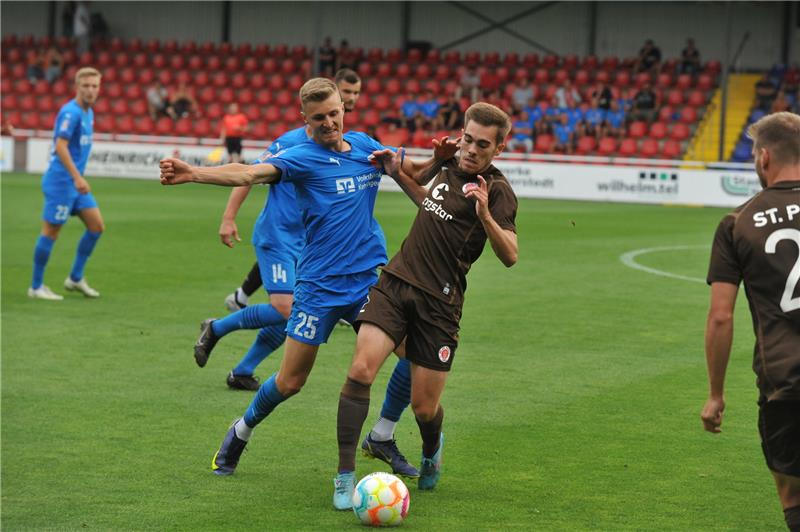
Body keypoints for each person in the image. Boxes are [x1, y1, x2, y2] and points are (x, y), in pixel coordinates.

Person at [159, 78, 459, 486]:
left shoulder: (367, 147)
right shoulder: (300, 157)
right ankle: (240, 431)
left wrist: (438, 159)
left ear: (343, 109)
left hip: (368, 284)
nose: (329, 122)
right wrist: (194, 172)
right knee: (290, 381)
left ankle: (383, 434)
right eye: (319, 118)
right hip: (318, 288)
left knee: (414, 354)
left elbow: (414, 173)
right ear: (306, 119)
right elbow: (247, 172)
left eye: (334, 113)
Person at [334, 102, 518, 507]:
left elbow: (511, 255)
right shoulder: (449, 163)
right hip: (395, 284)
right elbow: (428, 201)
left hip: (440, 305)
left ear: (499, 149)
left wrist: (485, 214)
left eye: (482, 145)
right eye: (468, 139)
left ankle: (432, 449)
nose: (470, 149)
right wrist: (395, 171)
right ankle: (345, 476)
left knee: (424, 407)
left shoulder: (499, 191)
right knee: (361, 370)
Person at [701, 111, 800, 532]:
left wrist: (716, 395)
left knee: (794, 496)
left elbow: (721, 316)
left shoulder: (737, 222)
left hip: (785, 380)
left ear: (762, 158)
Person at [223, 69, 363, 313]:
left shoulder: (348, 143)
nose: (352, 98)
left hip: (309, 236)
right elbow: (249, 174)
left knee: (297, 312)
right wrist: (228, 217)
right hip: (280, 231)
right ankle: (217, 328)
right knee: (286, 308)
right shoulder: (291, 143)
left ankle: (241, 298)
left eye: (356, 93)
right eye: (347, 92)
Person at [28, 67, 104, 301]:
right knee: (51, 232)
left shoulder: (88, 112)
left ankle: (75, 278)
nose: (91, 90)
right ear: (77, 87)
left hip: (75, 184)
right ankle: (36, 286)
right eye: (86, 86)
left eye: (94, 86)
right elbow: (60, 145)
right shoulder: (70, 113)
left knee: (96, 226)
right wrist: (77, 177)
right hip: (62, 182)